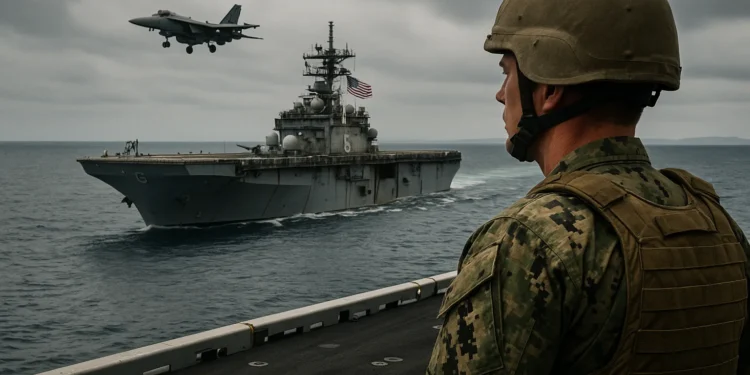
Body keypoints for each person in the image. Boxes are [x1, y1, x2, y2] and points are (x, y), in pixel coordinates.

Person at [426, 0, 750, 374]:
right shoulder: (719, 225)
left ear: (548, 90)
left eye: (507, 73)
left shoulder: (529, 239)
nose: (501, 94)